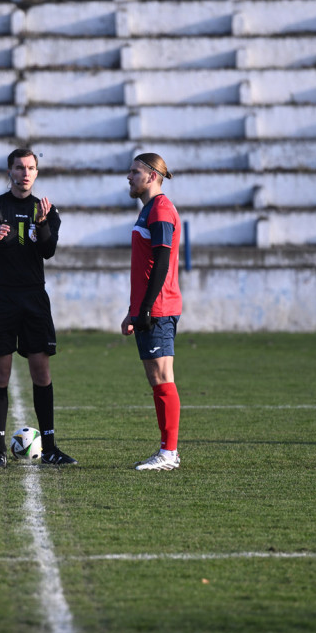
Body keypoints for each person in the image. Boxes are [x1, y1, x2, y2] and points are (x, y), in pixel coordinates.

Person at [0, 148, 77, 467]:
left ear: (37, 173)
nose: (25, 173)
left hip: (33, 299)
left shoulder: (45, 210)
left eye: (31, 168)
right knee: (0, 375)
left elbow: (48, 251)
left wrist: (42, 224)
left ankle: (51, 447)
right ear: (10, 172)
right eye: (19, 168)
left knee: (41, 372)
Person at [121, 153, 183, 471]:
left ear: (152, 176)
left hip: (158, 308)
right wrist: (133, 311)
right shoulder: (149, 210)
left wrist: (145, 309)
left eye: (134, 172)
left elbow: (161, 262)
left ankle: (168, 453)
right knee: (157, 379)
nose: (128, 177)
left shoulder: (160, 209)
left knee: (161, 378)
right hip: (149, 308)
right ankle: (167, 450)